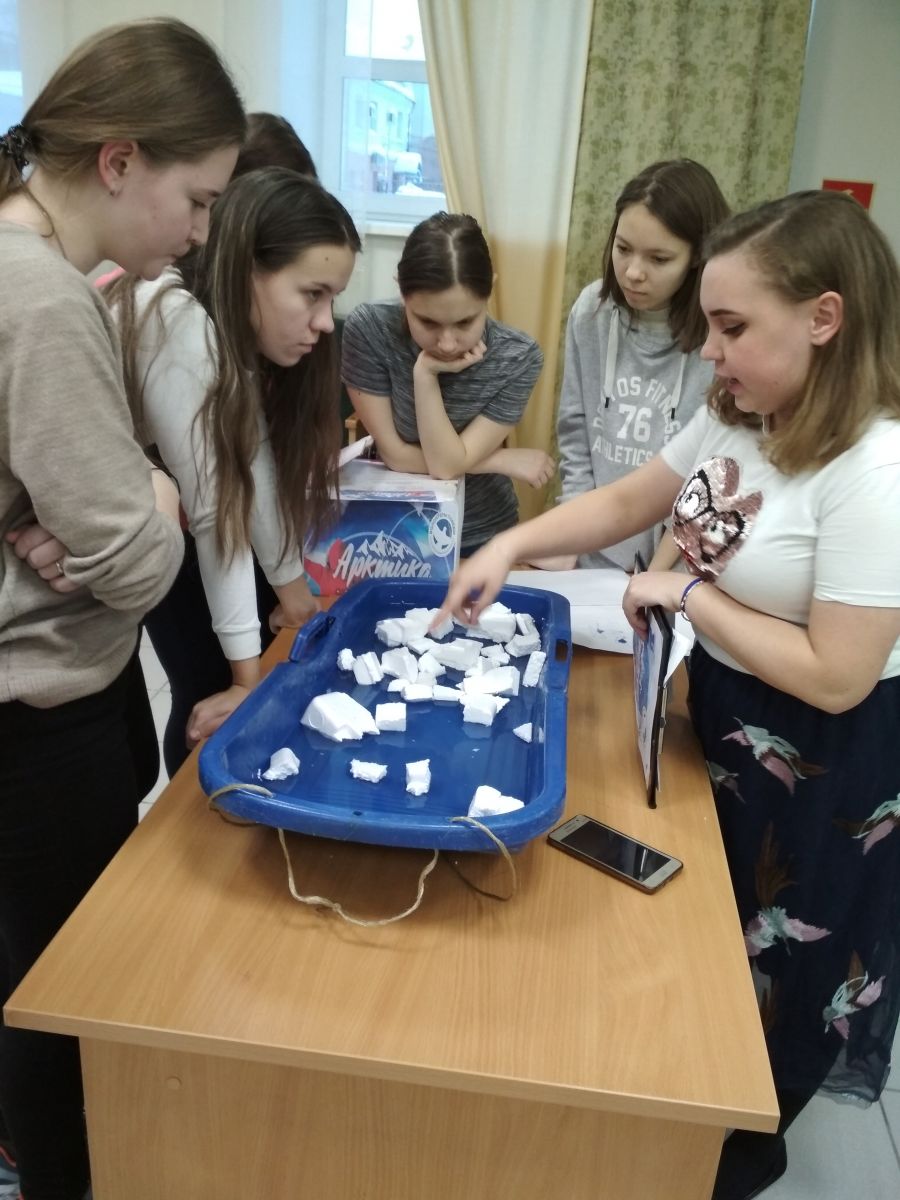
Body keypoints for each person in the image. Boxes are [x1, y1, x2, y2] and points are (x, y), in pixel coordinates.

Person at [436, 190, 900, 1200]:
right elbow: (630, 499)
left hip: (824, 762)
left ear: (824, 318)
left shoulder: (876, 468)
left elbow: (839, 672)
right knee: (701, 936)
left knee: (782, 968)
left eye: (731, 327)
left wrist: (686, 593)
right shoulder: (740, 413)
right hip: (727, 712)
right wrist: (509, 546)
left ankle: (731, 1156)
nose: (709, 350)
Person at [0, 18, 245, 1200]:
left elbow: (88, 520)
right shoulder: (45, 299)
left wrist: (113, 504)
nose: (198, 233)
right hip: (45, 720)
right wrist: (153, 497)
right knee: (62, 1003)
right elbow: (139, 567)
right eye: (195, 201)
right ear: (118, 160)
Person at [105, 167, 359, 773]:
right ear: (249, 270)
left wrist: (295, 594)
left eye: (333, 299)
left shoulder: (220, 331)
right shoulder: (179, 326)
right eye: (312, 294)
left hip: (125, 536)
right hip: (95, 546)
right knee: (179, 717)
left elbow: (255, 465)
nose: (326, 322)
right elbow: (218, 506)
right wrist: (245, 679)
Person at [341, 211, 553, 556]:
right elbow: (396, 456)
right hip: (393, 534)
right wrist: (499, 460)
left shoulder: (518, 357)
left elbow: (446, 466)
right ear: (402, 291)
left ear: (489, 291)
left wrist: (426, 376)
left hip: (484, 534)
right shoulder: (369, 331)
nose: (448, 343)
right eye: (427, 322)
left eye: (465, 322)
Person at [554, 158, 729, 572]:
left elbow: (715, 470)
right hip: (595, 549)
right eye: (623, 249)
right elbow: (575, 431)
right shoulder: (591, 312)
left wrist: (659, 573)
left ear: (698, 256)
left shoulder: (721, 336)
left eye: (659, 259)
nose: (633, 272)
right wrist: (575, 533)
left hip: (678, 563)